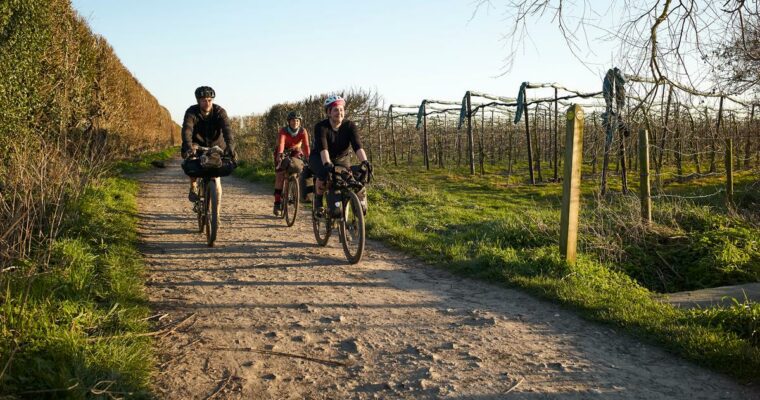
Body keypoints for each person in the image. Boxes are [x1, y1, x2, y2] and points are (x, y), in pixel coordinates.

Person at [308, 95, 372, 217]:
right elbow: (323, 148)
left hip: (341, 159)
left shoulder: (350, 126)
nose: (339, 112)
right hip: (319, 157)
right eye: (335, 110)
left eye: (341, 109)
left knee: (350, 178)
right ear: (329, 112)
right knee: (323, 173)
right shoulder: (321, 127)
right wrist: (327, 164)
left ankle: (350, 209)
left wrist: (365, 161)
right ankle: (318, 201)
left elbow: (357, 146)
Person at [181, 86, 236, 202]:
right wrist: (188, 147)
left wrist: (230, 147)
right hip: (197, 145)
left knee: (217, 182)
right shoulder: (191, 112)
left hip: (217, 146)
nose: (207, 103)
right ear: (198, 101)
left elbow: (227, 130)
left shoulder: (220, 112)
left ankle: (216, 216)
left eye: (210, 100)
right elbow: (187, 130)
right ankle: (193, 186)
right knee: (192, 161)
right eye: (204, 100)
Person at [273, 111, 310, 216]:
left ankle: (294, 189)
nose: (295, 122)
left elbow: (306, 146)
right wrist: (280, 154)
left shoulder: (303, 131)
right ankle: (277, 202)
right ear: (289, 122)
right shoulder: (283, 131)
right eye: (293, 120)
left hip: (296, 150)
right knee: (280, 175)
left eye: (297, 120)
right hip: (283, 150)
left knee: (297, 167)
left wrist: (308, 157)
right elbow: (281, 143)